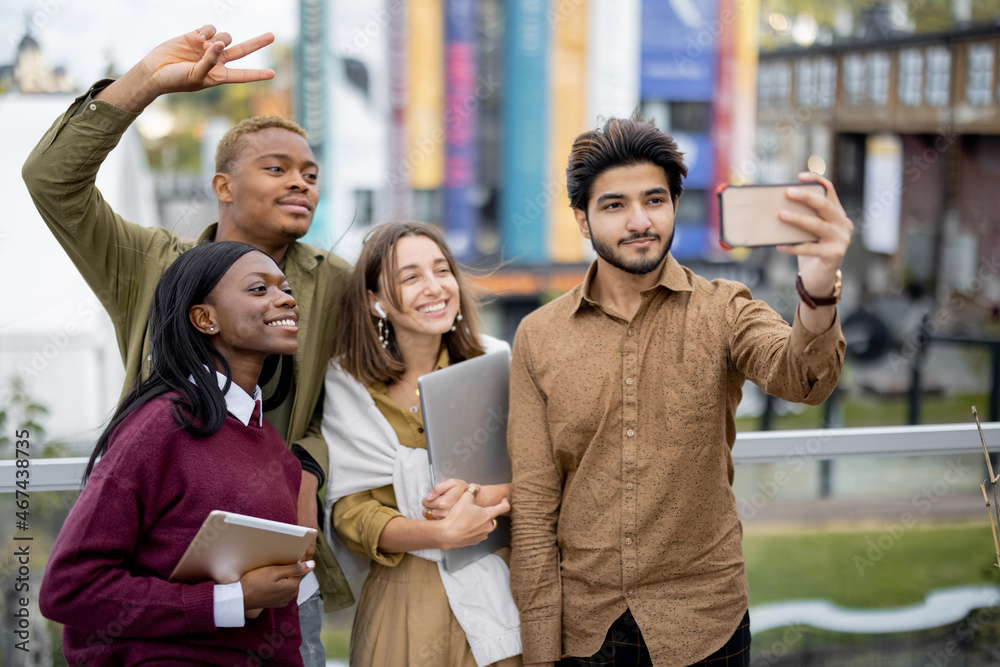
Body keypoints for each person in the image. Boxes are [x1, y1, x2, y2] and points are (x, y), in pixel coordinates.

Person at [21, 26, 352, 663]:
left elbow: (348, 403)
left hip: (274, 561)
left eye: (311, 173)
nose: (301, 183)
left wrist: (306, 467)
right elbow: (52, 180)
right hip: (159, 567)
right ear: (223, 187)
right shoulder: (151, 265)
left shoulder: (334, 282)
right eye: (277, 169)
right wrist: (145, 81)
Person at [507, 115, 852, 667]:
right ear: (582, 218)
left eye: (655, 200)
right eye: (614, 205)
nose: (640, 220)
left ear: (673, 205)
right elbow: (533, 506)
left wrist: (818, 285)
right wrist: (541, 652)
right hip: (586, 632)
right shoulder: (538, 337)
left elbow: (803, 379)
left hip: (705, 625)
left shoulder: (724, 308)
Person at [40, 241, 314, 664]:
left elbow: (279, 619)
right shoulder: (159, 427)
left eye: (287, 288)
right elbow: (70, 588)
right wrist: (229, 600)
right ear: (205, 319)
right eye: (259, 289)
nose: (286, 299)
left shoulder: (274, 451)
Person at [320, 222, 523, 666]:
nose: (435, 288)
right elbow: (350, 514)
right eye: (410, 277)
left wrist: (480, 496)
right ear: (376, 301)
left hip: (498, 590)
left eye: (442, 270)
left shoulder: (498, 362)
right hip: (404, 600)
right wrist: (438, 533)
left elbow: (538, 477)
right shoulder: (349, 384)